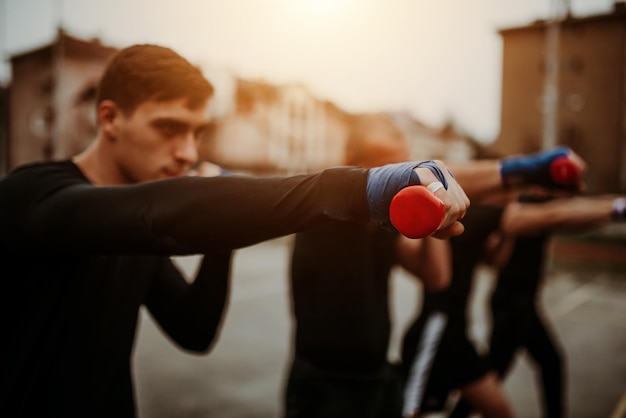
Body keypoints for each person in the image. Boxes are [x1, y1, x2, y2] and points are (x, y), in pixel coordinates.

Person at [0, 45, 472, 418]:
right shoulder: (35, 196)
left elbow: (194, 329)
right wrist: (366, 186)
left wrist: (220, 234)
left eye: (196, 133)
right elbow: (160, 215)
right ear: (109, 118)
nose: (186, 151)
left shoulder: (135, 235)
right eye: (169, 127)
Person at [283, 112, 587, 418]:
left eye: (401, 166)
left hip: (375, 376)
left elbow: (436, 277)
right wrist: (530, 170)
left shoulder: (380, 226)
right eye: (386, 167)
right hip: (324, 384)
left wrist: (432, 216)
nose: (397, 179)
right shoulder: (325, 208)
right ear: (350, 161)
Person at [405, 191, 625, 418]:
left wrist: (506, 233)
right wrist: (618, 208)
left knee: (501, 408)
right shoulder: (466, 215)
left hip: (459, 336)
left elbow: (493, 261)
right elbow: (554, 215)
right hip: (435, 331)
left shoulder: (486, 220)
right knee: (415, 411)